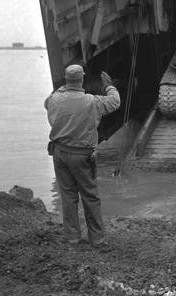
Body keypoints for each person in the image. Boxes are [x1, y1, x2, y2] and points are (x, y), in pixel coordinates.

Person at [45, 65, 120, 247]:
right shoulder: (91, 101)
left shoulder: (54, 99)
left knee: (68, 195)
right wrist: (108, 85)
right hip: (82, 156)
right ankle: (97, 238)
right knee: (90, 196)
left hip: (59, 153)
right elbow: (114, 102)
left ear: (65, 80)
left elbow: (47, 101)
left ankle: (73, 237)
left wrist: (64, 87)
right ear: (82, 80)